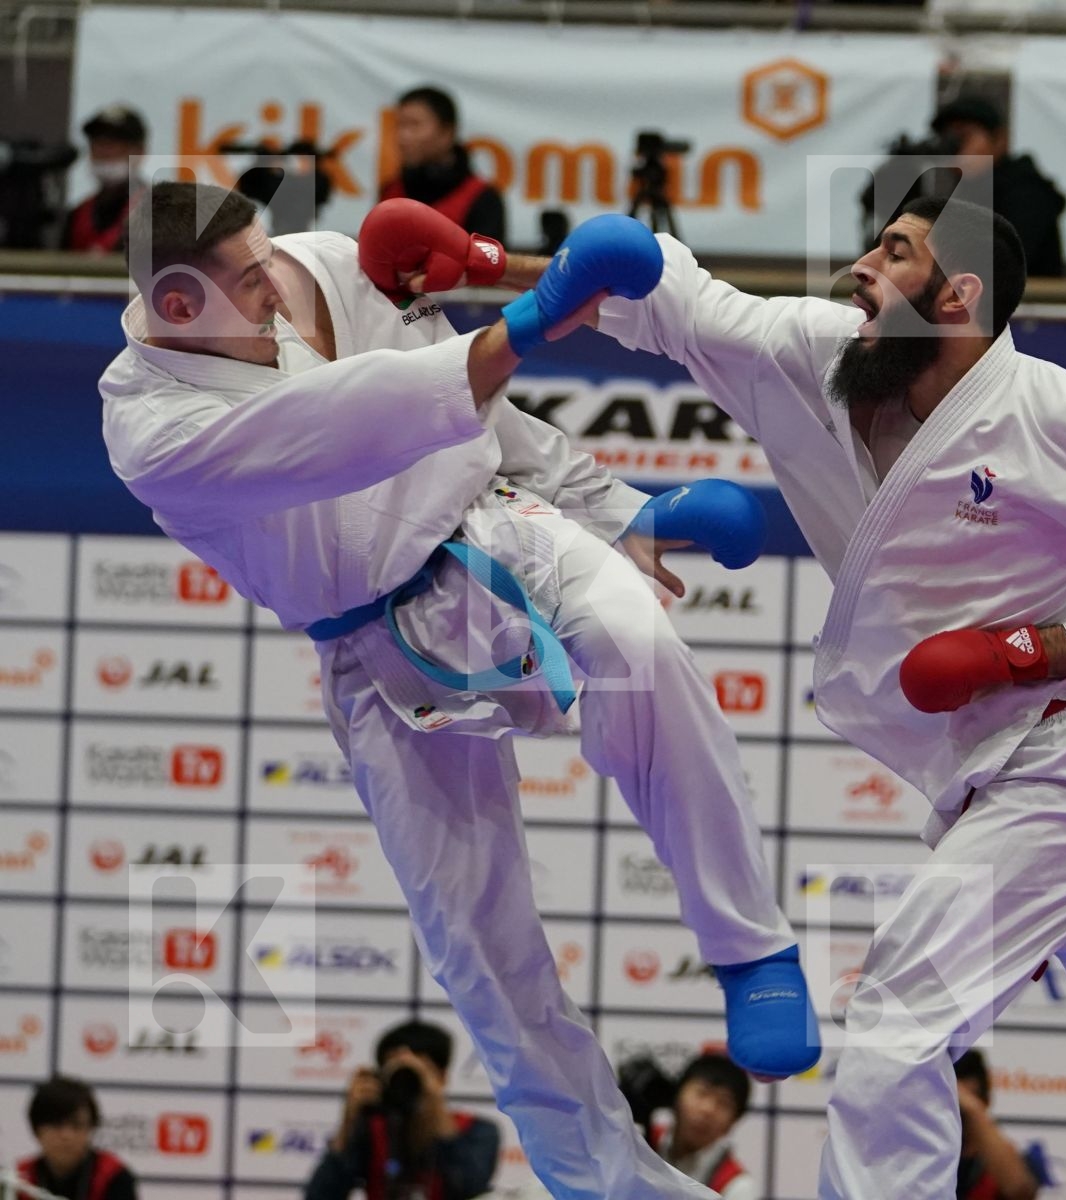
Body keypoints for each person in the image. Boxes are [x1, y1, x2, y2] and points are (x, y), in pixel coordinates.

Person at [578, 195, 1066, 1199]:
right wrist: (515, 275)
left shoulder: (1050, 413)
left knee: (899, 1020)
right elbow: (677, 302)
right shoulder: (821, 354)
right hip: (1006, 785)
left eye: (895, 252)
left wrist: (1027, 648)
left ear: (956, 297)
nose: (861, 267)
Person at [99, 180, 817, 1200]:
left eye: (266, 257)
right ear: (180, 309)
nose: (275, 279)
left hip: (496, 526)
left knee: (636, 637)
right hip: (373, 652)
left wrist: (618, 513)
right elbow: (363, 414)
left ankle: (753, 951)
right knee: (483, 948)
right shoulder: (155, 430)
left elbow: (482, 411)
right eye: (248, 278)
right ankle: (614, 1188)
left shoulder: (317, 265)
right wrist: (525, 316)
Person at [305, 1020, 500, 1200]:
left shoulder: (477, 1131)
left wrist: (434, 1105)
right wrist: (348, 1122)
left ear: (442, 1077)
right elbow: (320, 1196)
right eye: (397, 1072)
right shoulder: (372, 1129)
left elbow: (471, 1188)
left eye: (422, 1070)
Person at [929, 97, 1066, 277]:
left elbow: (1006, 262)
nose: (956, 148)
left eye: (965, 136)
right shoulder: (963, 190)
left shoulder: (1025, 191)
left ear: (999, 140)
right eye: (948, 139)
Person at [383, 85, 507, 242]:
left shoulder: (483, 199)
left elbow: (488, 263)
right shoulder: (391, 191)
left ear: (447, 132)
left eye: (414, 125)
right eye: (400, 125)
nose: (402, 137)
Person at [644, 1054, 759, 1198]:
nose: (707, 1110)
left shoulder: (736, 1186)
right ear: (677, 1095)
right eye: (701, 1093)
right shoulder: (642, 1140)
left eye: (723, 1103)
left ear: (734, 1121)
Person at [12, 1076, 138, 1200]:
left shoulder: (114, 1177)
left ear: (91, 1128)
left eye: (76, 1125)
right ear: (37, 1130)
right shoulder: (18, 1180)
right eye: (56, 1124)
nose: (66, 1135)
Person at [953, 1050, 1038, 1200]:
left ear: (985, 1101)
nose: (958, 1114)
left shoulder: (999, 1161)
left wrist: (972, 1110)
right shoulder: (923, 1154)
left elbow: (1021, 1191)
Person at [61, 105, 146, 254]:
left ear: (139, 152)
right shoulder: (77, 215)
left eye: (114, 144)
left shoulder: (159, 212)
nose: (104, 152)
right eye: (98, 143)